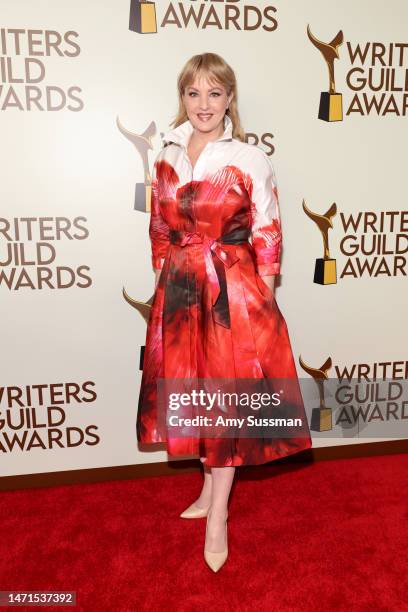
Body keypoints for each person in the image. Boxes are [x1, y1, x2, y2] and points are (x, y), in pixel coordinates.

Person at [137, 52, 312, 572]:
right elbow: (160, 228)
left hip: (234, 290)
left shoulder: (251, 158)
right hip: (180, 286)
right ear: (182, 98)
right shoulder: (165, 154)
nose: (204, 104)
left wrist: (264, 300)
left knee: (228, 400)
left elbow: (269, 230)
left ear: (230, 99)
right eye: (194, 93)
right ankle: (206, 489)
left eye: (215, 93)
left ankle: (219, 515)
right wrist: (163, 282)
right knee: (191, 393)